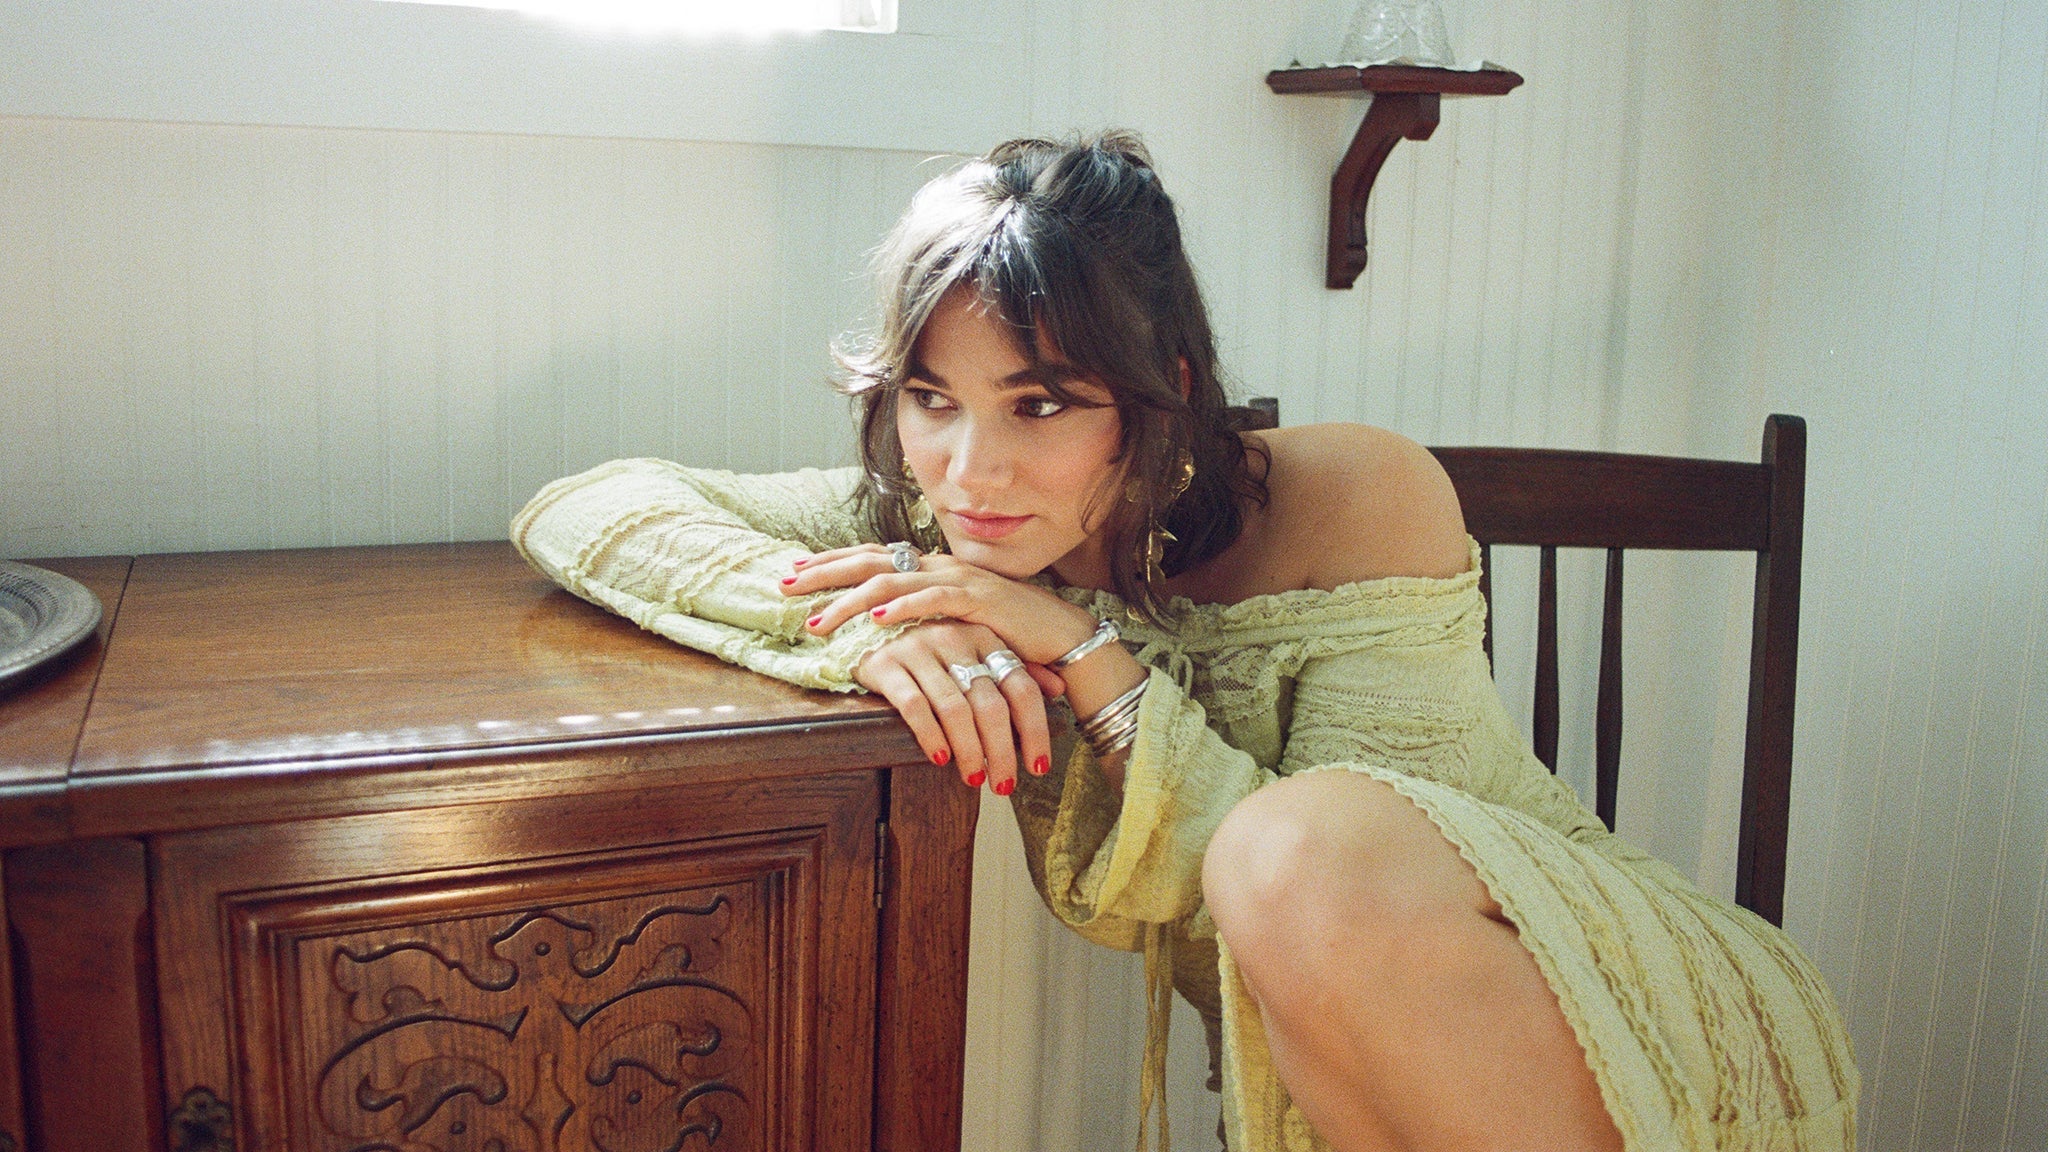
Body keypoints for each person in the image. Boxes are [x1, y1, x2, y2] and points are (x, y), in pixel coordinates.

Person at [512, 132, 1857, 1152]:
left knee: (1294, 842)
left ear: (1166, 393)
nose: (970, 469)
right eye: (931, 398)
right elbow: (586, 507)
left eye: (1041, 403)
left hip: (1611, 1022)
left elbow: (1317, 904)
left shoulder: (1359, 494)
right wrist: (862, 625)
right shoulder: (941, 524)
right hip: (1350, 1106)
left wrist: (1083, 655)